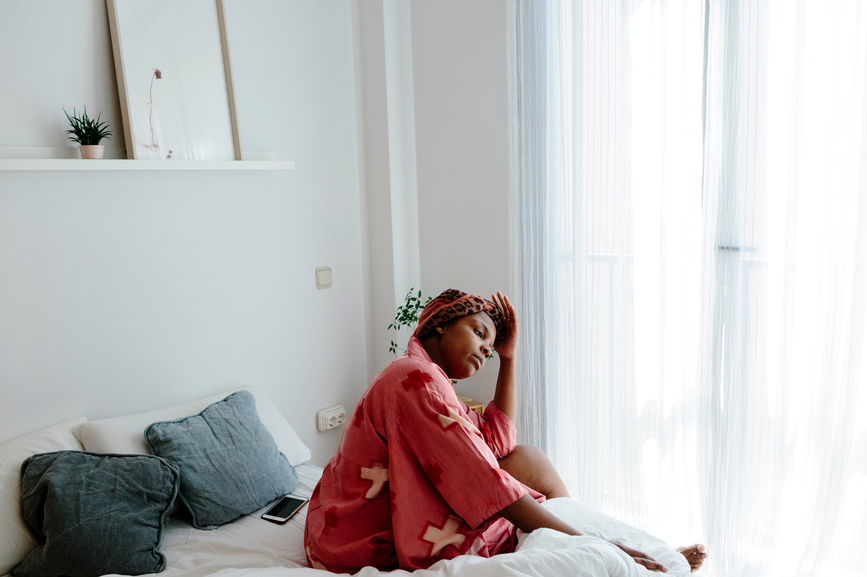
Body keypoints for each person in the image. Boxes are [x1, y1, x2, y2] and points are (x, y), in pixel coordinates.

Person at [304, 289, 707, 573]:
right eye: (479, 333)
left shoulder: (432, 382)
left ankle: (592, 545)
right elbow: (483, 481)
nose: (485, 350)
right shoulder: (414, 378)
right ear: (440, 325)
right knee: (520, 498)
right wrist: (594, 542)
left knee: (528, 460)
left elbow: (497, 441)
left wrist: (508, 358)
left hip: (345, 524)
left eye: (489, 347)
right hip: (354, 540)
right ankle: (604, 551)